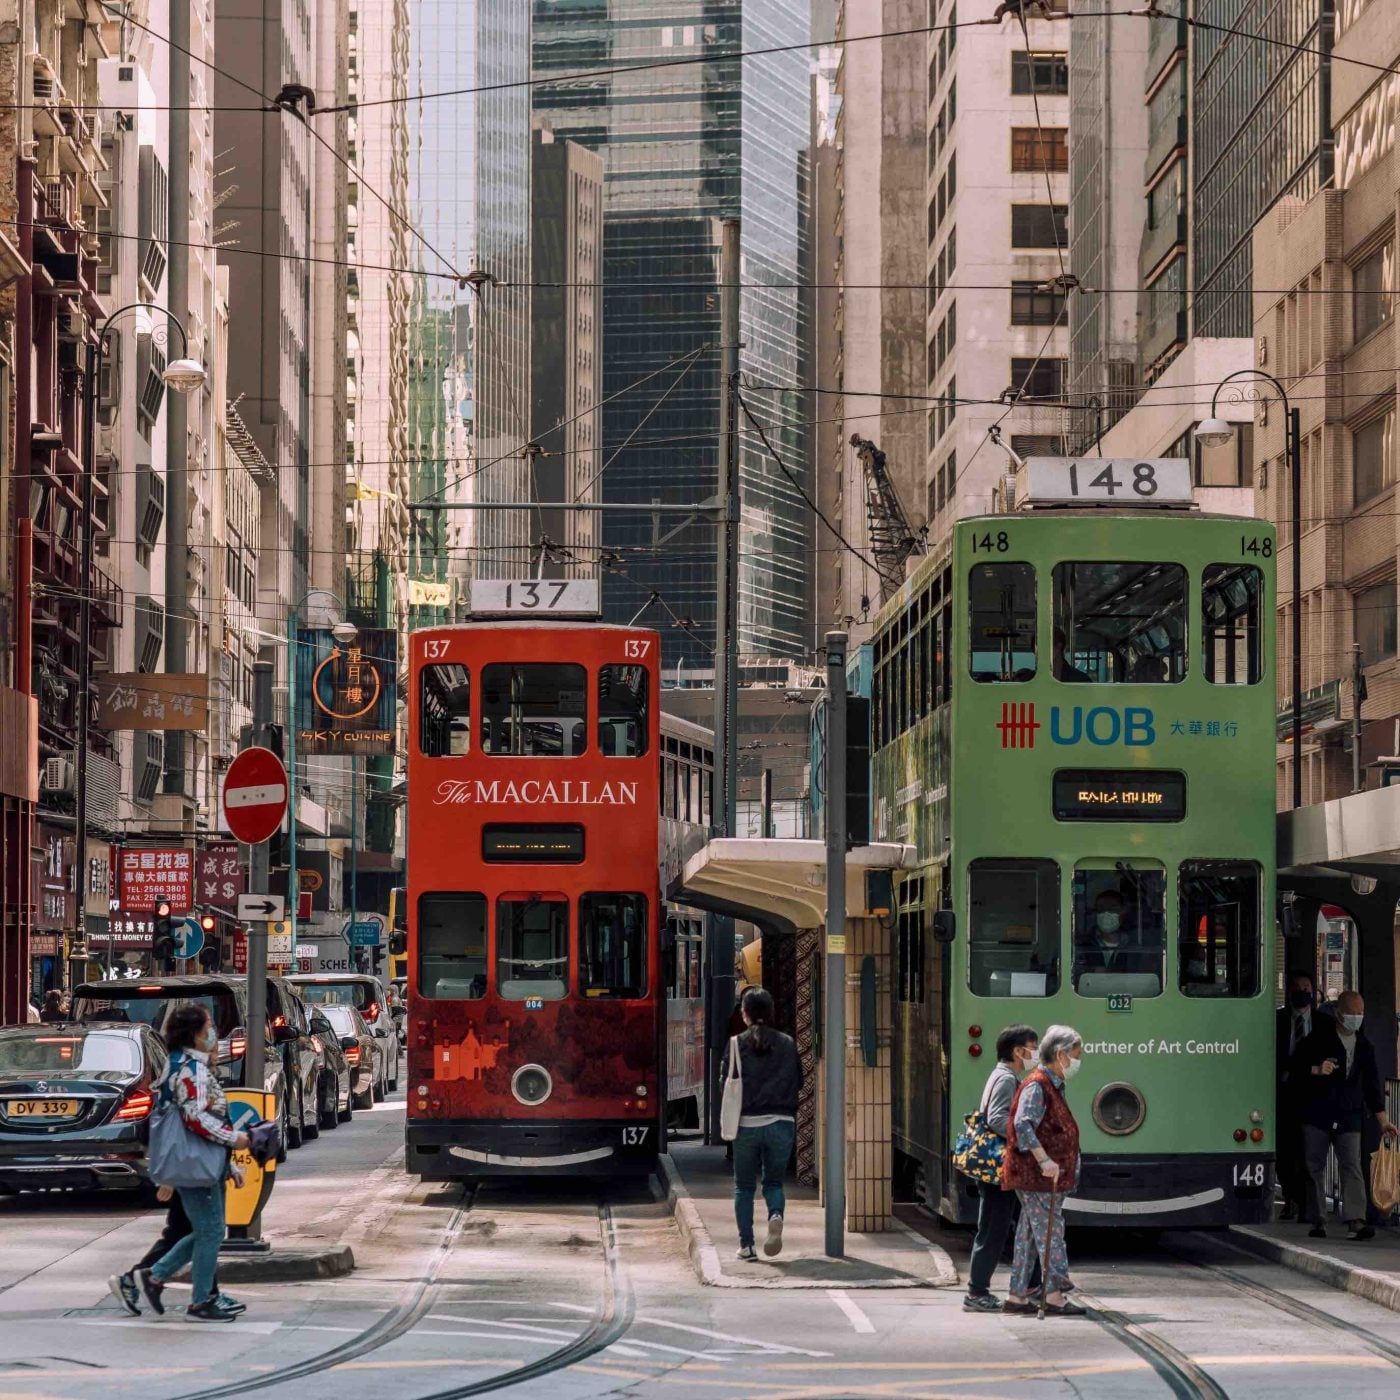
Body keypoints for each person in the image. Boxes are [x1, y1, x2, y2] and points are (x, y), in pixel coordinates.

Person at [122, 1004, 250, 1321]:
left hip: (203, 1162)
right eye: (209, 1026)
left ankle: (156, 1277)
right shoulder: (189, 1070)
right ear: (194, 1033)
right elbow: (196, 1119)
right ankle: (196, 1298)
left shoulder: (189, 1066)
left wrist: (227, 1164)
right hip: (196, 1165)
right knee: (209, 1232)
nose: (213, 1033)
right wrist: (234, 1140)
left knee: (208, 1231)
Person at [1291, 989, 1398, 1241]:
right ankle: (1318, 1219)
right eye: (1352, 1013)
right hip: (1317, 1113)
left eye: (1360, 1013)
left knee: (1352, 1165)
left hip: (1350, 1114)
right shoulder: (1317, 1040)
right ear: (1339, 1014)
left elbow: (1372, 1086)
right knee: (1313, 1166)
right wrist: (1316, 1069)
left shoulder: (1364, 1046)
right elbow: (1295, 1069)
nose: (1356, 1017)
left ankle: (1356, 1221)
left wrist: (1383, 1121)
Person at [1003, 1024, 1086, 1316]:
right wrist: (1044, 1160)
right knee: (1051, 1232)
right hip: (1038, 1177)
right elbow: (1022, 1123)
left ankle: (1017, 1296)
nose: (1078, 1061)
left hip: (1040, 1176)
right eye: (1076, 1055)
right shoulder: (1038, 1085)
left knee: (1028, 1233)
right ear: (1061, 1055)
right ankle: (1054, 1294)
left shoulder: (1050, 1084)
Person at [965, 1024, 1038, 1313]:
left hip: (1003, 1168)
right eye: (1032, 1047)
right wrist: (1025, 1137)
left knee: (1021, 1223)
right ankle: (976, 1291)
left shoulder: (1004, 1075)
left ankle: (1032, 1283)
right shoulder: (1006, 1079)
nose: (1035, 1053)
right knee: (993, 1228)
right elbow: (996, 1119)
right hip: (998, 1168)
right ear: (1018, 1051)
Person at [728, 987, 801, 1263]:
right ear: (770, 1013)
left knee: (744, 1187)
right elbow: (799, 1080)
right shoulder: (787, 1043)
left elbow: (727, 1079)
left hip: (746, 1124)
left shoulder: (736, 1043)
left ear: (744, 1014)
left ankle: (747, 1246)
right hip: (782, 1123)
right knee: (773, 1181)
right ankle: (775, 1215)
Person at [110, 1185, 244, 1318]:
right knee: (197, 1233)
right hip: (191, 1177)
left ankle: (137, 1280)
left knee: (196, 1234)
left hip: (198, 1176)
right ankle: (206, 1297)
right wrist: (168, 1182)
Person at [1275, 969, 1318, 1221]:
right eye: (1299, 988)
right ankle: (1290, 1198)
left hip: (1313, 1095)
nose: (1304, 992)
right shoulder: (1277, 1021)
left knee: (1309, 1153)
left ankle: (1307, 1203)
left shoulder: (1323, 1022)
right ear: (1289, 991)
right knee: (1286, 1152)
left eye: (1308, 989)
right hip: (1284, 1093)